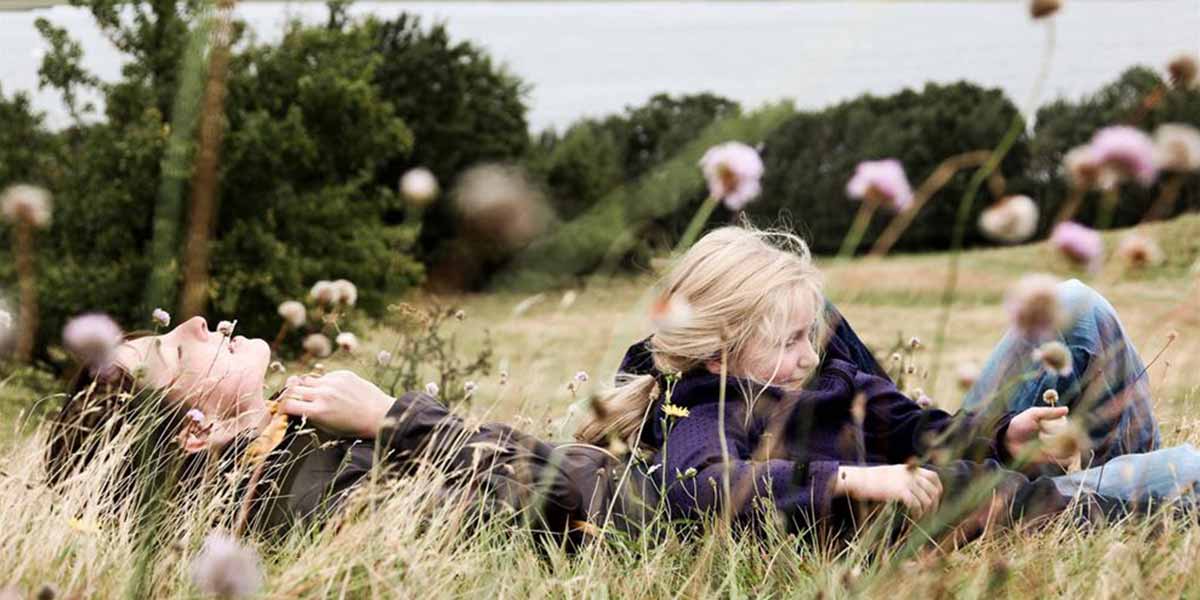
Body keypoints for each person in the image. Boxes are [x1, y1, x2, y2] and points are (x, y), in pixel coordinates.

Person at [44, 225, 1196, 548]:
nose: (198, 319)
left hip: (958, 483)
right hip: (942, 522)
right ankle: (1118, 506)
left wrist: (990, 433)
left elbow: (897, 417)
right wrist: (398, 415)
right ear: (193, 431)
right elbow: (619, 492)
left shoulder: (302, 444)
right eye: (170, 344)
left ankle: (1121, 512)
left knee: (1073, 308)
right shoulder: (308, 502)